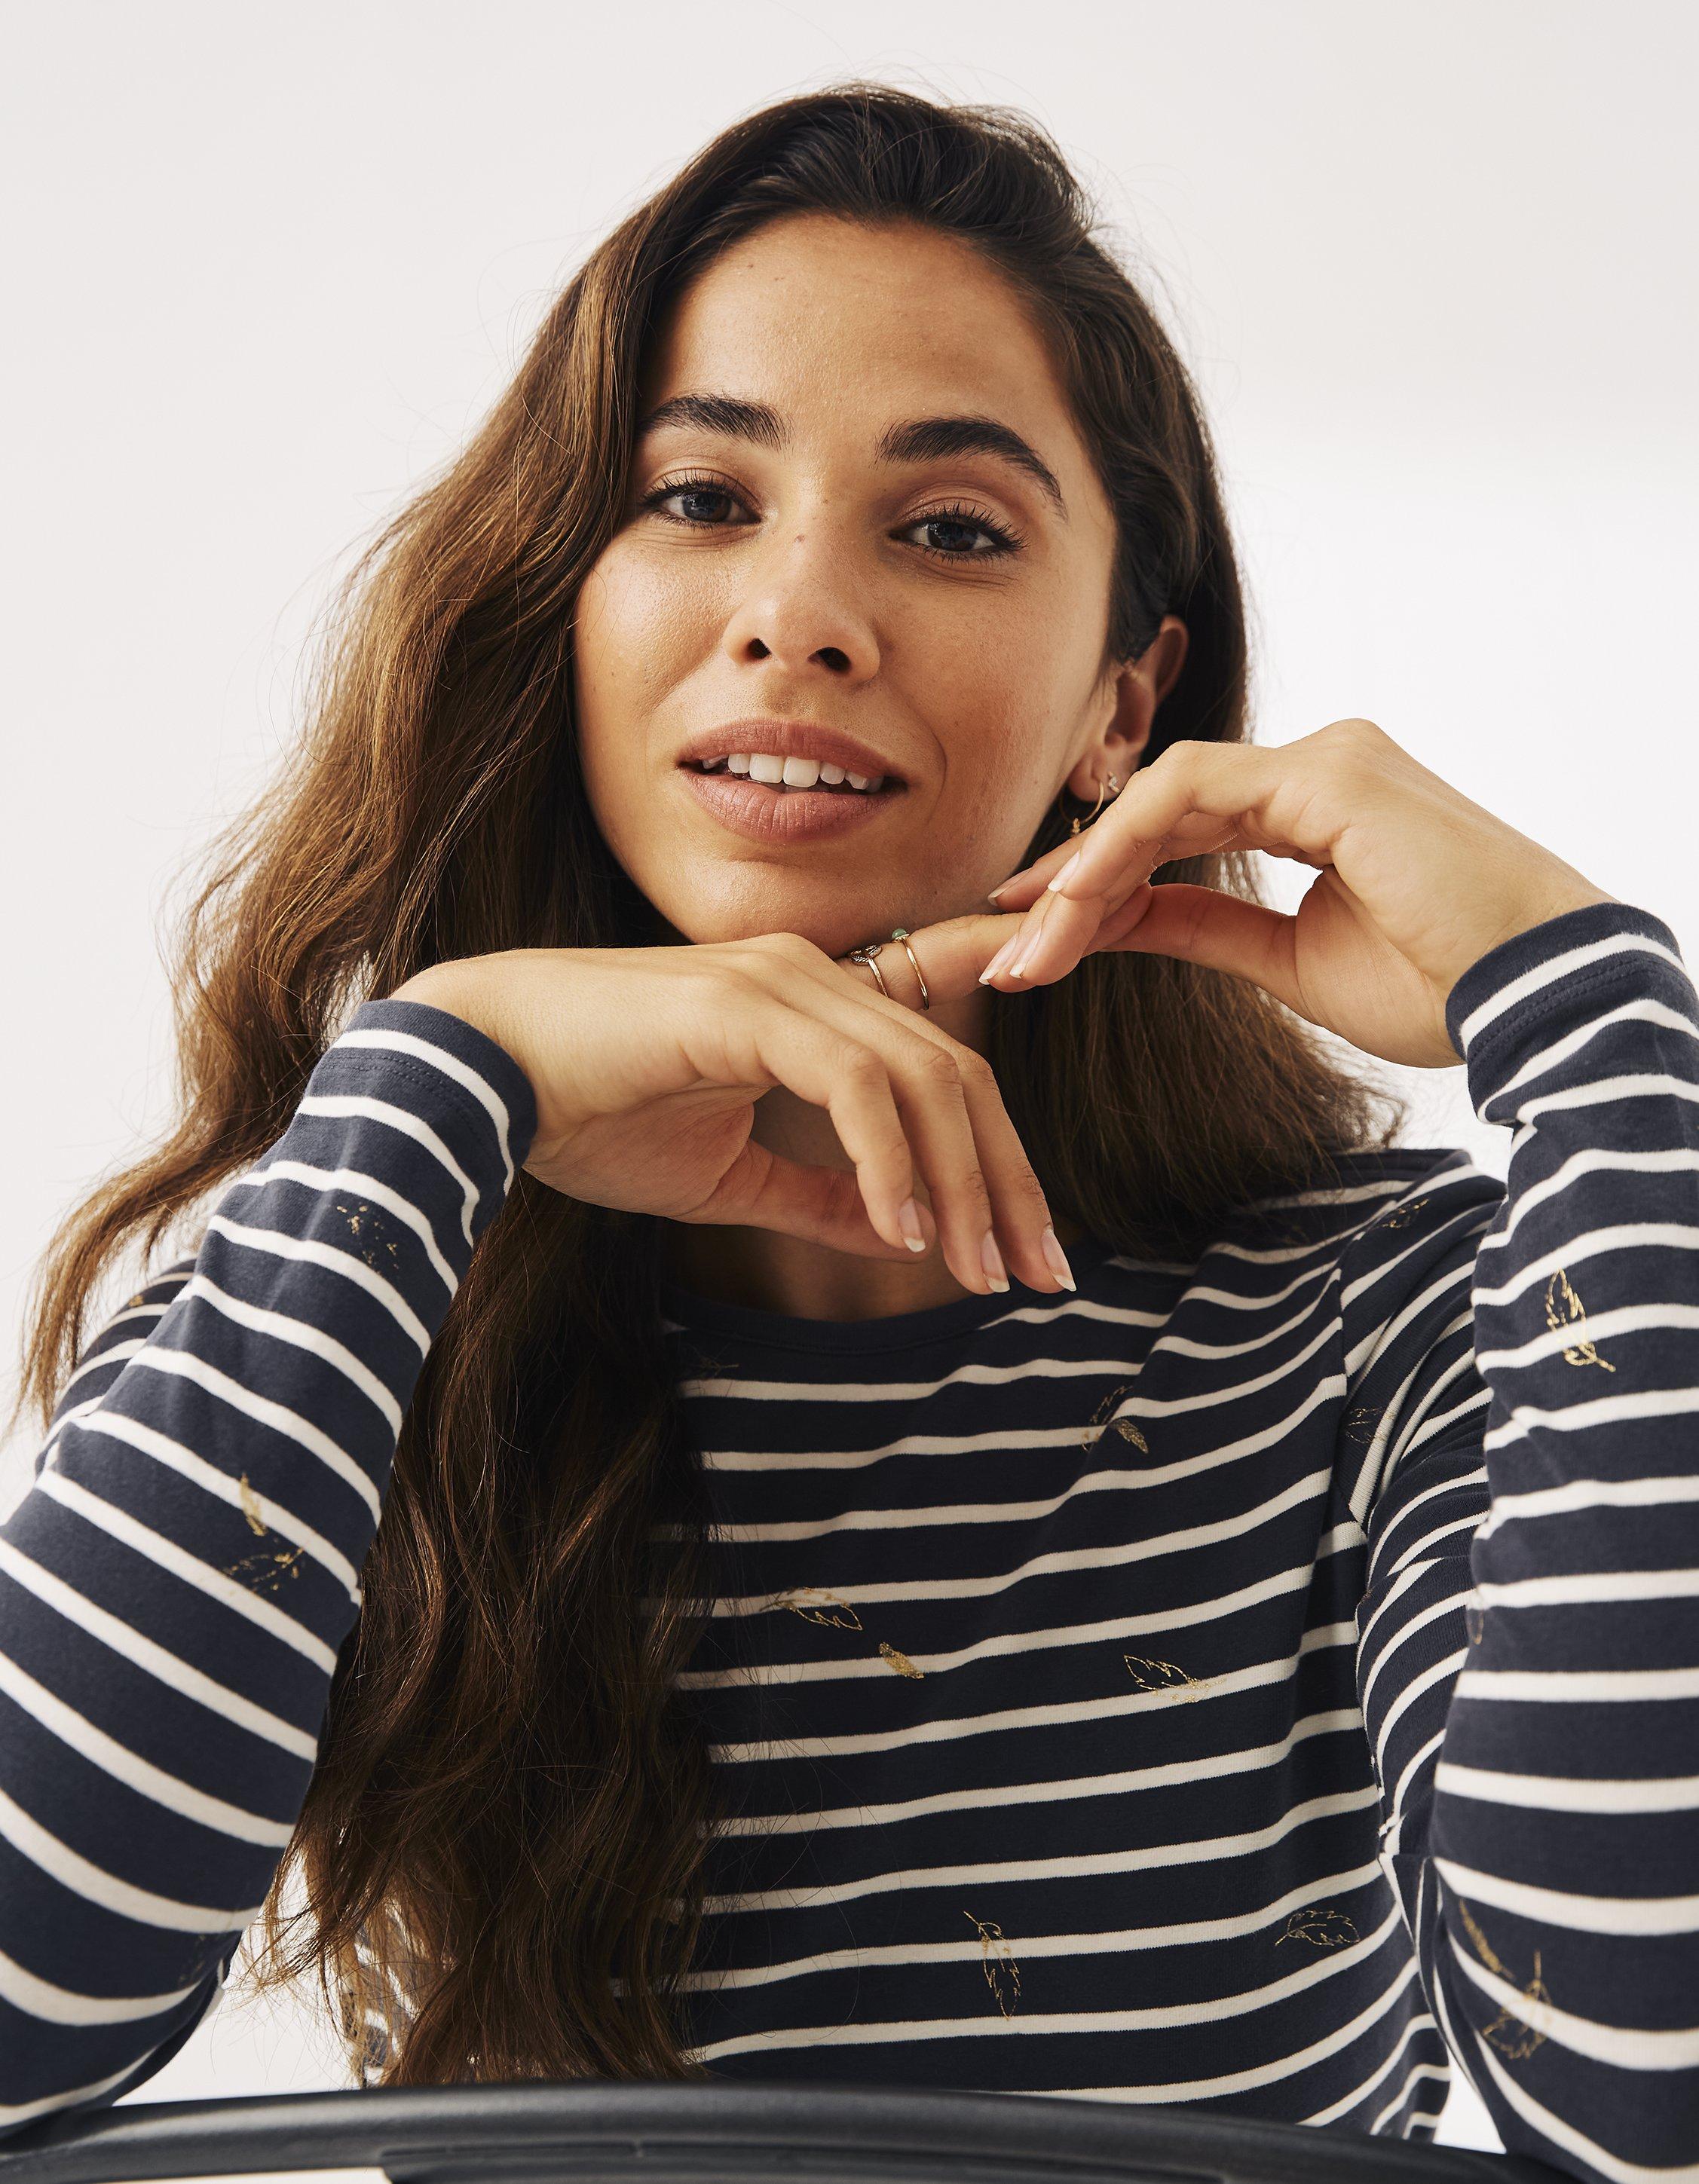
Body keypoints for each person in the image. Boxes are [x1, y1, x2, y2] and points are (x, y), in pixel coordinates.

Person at [1, 81, 1691, 2183]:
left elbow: (1641, 2087)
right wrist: (441, 1073)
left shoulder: (1381, 1326)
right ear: (568, 595)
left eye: (953, 527)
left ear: (1123, 706)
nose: (799, 611)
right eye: (702, 500)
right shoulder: (355, 1283)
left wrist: (1606, 1027)